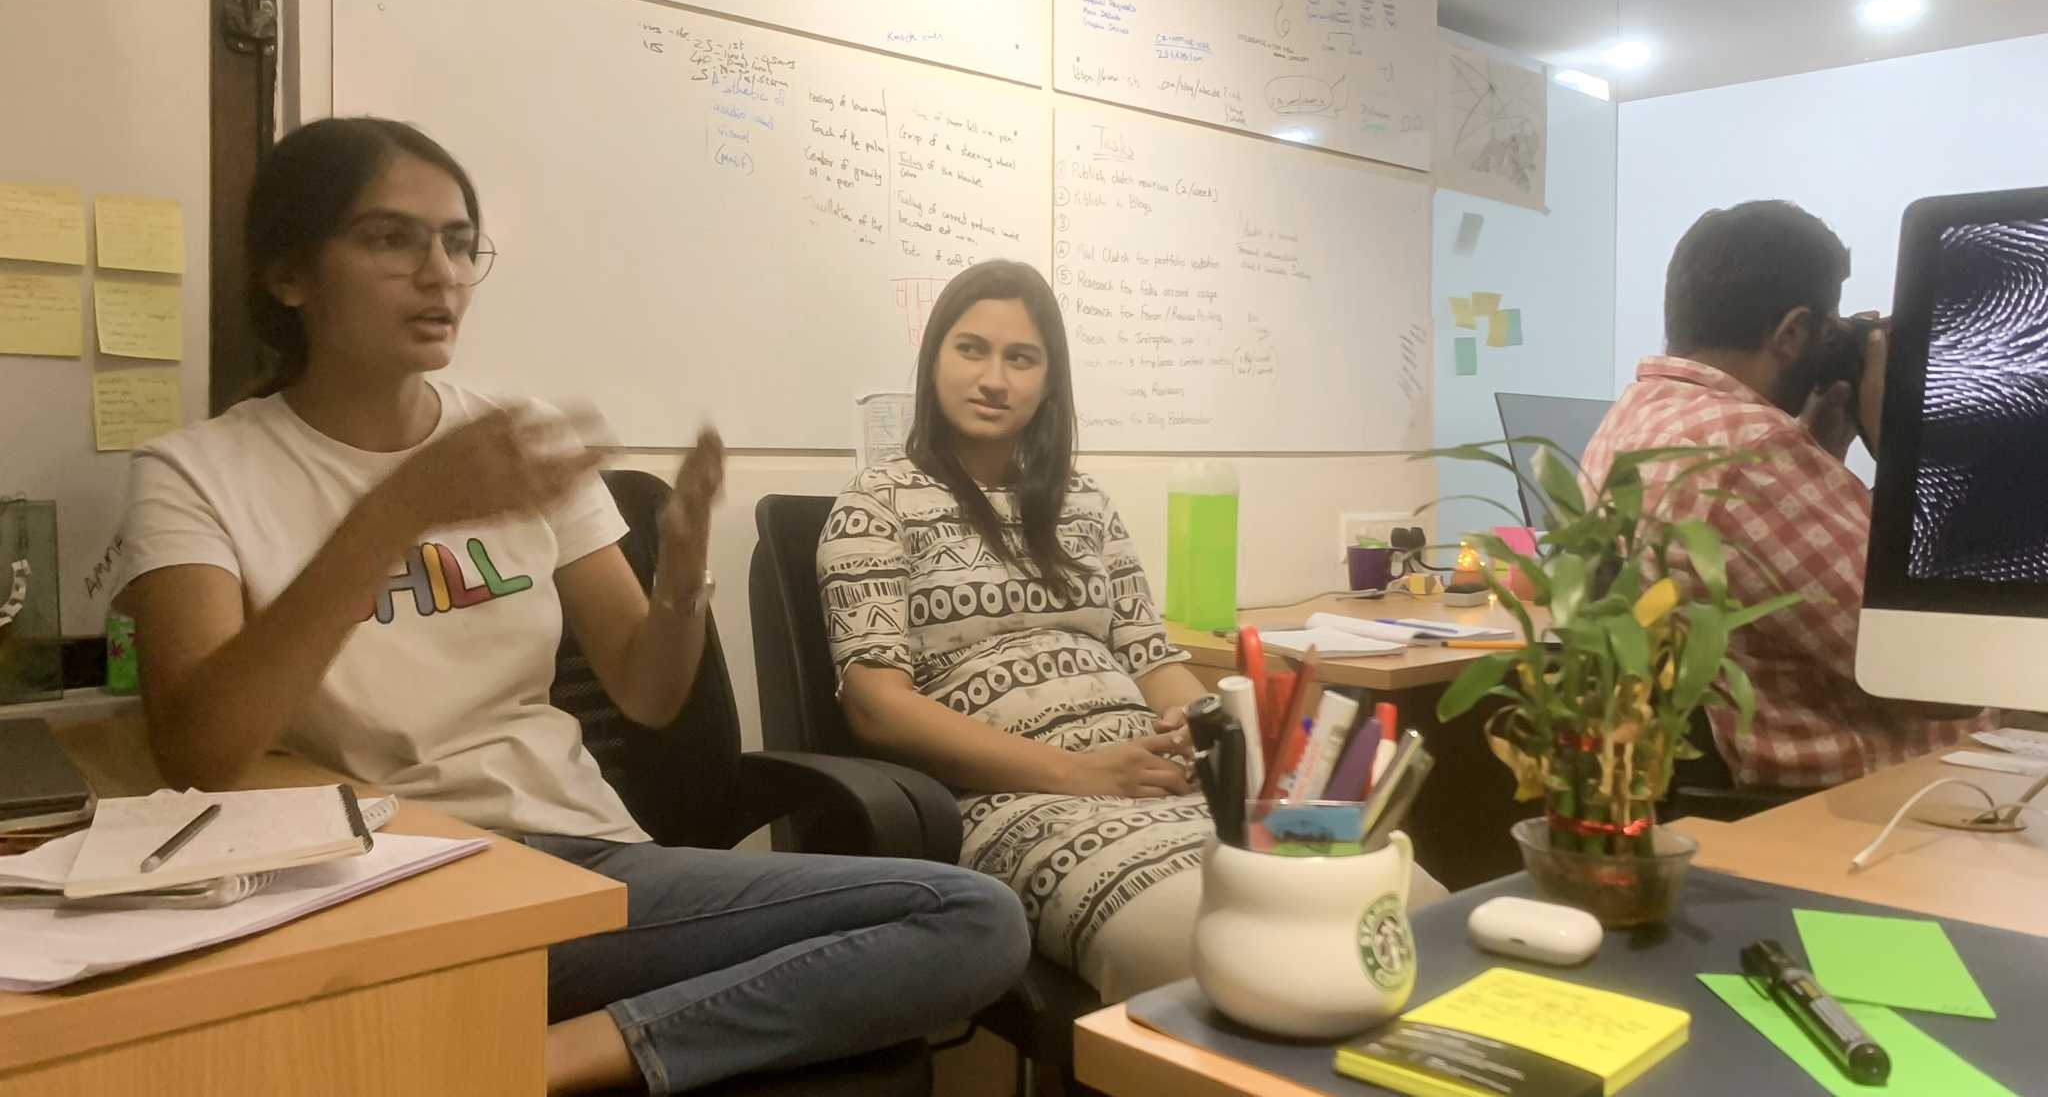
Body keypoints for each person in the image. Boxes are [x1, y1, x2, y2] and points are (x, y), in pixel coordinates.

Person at [111, 118, 1028, 1096]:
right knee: (958, 920)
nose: (440, 272)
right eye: (391, 239)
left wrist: (679, 576)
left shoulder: (515, 437)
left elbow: (645, 691)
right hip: (382, 891)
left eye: (460, 243)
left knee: (970, 920)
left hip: (579, 872)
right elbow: (199, 750)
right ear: (289, 274)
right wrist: (392, 515)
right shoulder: (198, 473)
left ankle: (525, 1065)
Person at [818, 260, 1443, 1001]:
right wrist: (1082, 772)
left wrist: (1195, 723)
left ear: (1050, 382)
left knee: (1412, 909)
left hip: (1154, 778)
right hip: (1014, 797)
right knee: (1221, 955)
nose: (994, 377)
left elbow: (1153, 661)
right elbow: (875, 705)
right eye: (971, 348)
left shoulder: (1084, 503)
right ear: (933, 361)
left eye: (1021, 358)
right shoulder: (875, 502)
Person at [1579, 200, 1994, 791]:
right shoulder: (1750, 454)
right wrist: (1904, 450)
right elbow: (1940, 676)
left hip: (1753, 800)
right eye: (1830, 326)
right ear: (1793, 331)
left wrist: (1822, 452)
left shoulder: (1630, 422)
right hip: (1878, 802)